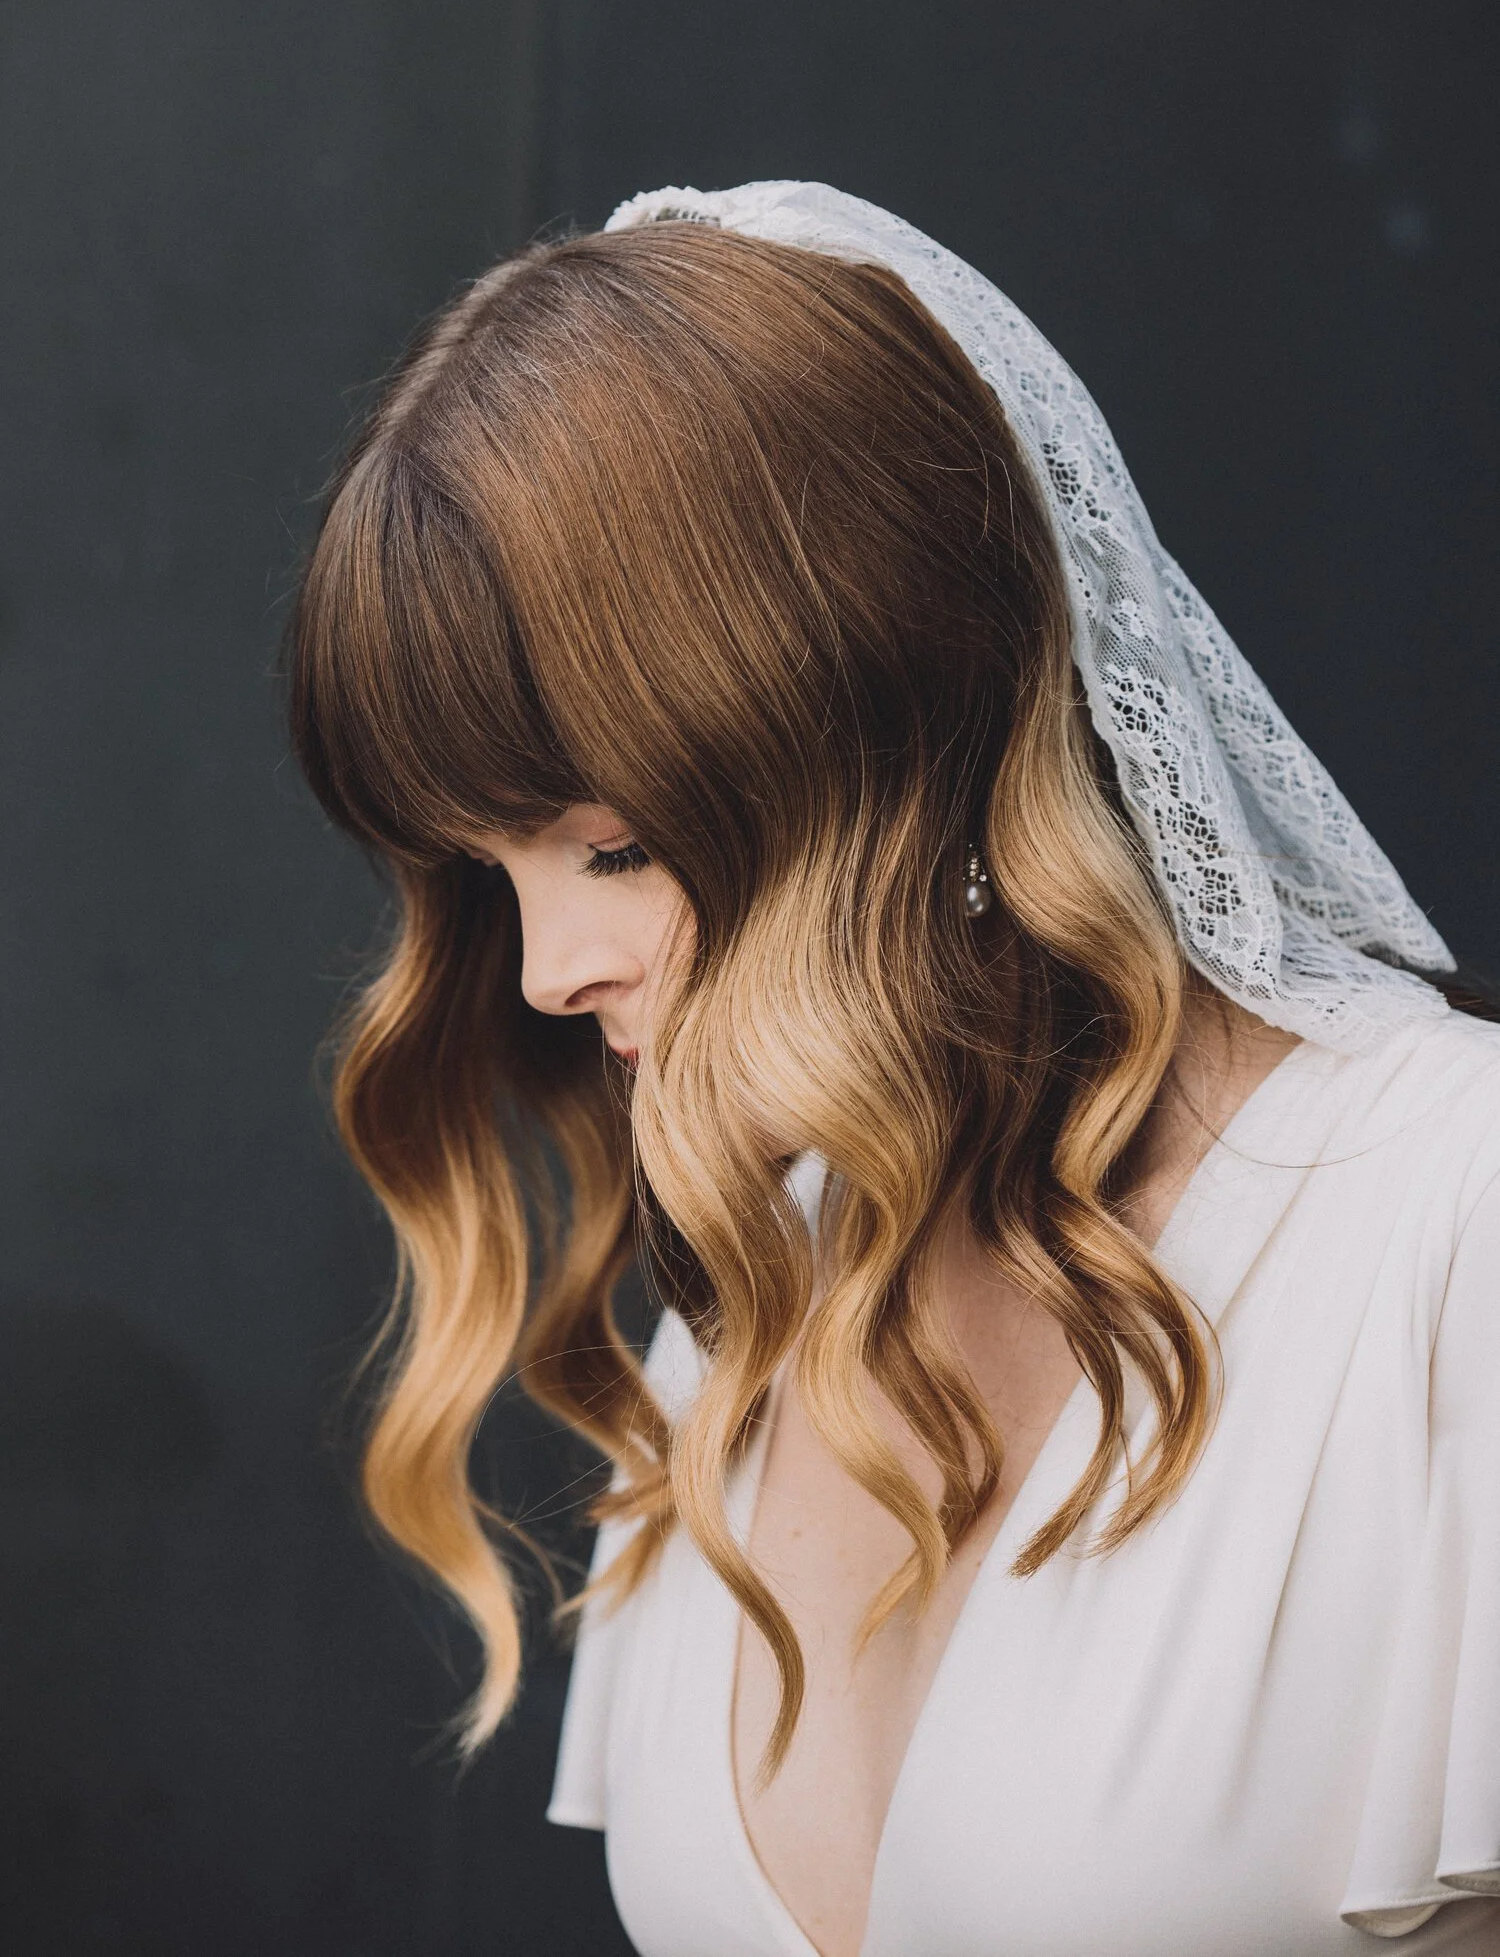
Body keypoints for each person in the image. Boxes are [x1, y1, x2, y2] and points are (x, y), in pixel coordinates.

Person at [285, 181, 1500, 1956]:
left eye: (610, 846)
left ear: (890, 724)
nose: (548, 973)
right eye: (492, 872)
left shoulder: (1451, 1217)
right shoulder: (745, 1311)